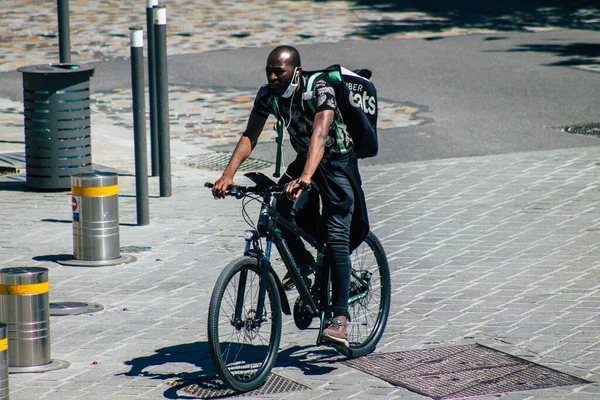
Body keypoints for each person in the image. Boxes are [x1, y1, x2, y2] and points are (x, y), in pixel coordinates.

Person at [212, 45, 369, 348]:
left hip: (336, 162)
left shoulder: (318, 89)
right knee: (278, 209)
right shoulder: (267, 94)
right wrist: (228, 173)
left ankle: (339, 320)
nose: (272, 76)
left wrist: (306, 178)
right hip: (305, 160)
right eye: (268, 70)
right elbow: (250, 135)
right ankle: (305, 264)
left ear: (295, 70)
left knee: (336, 235)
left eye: (278, 71)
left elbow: (320, 135)